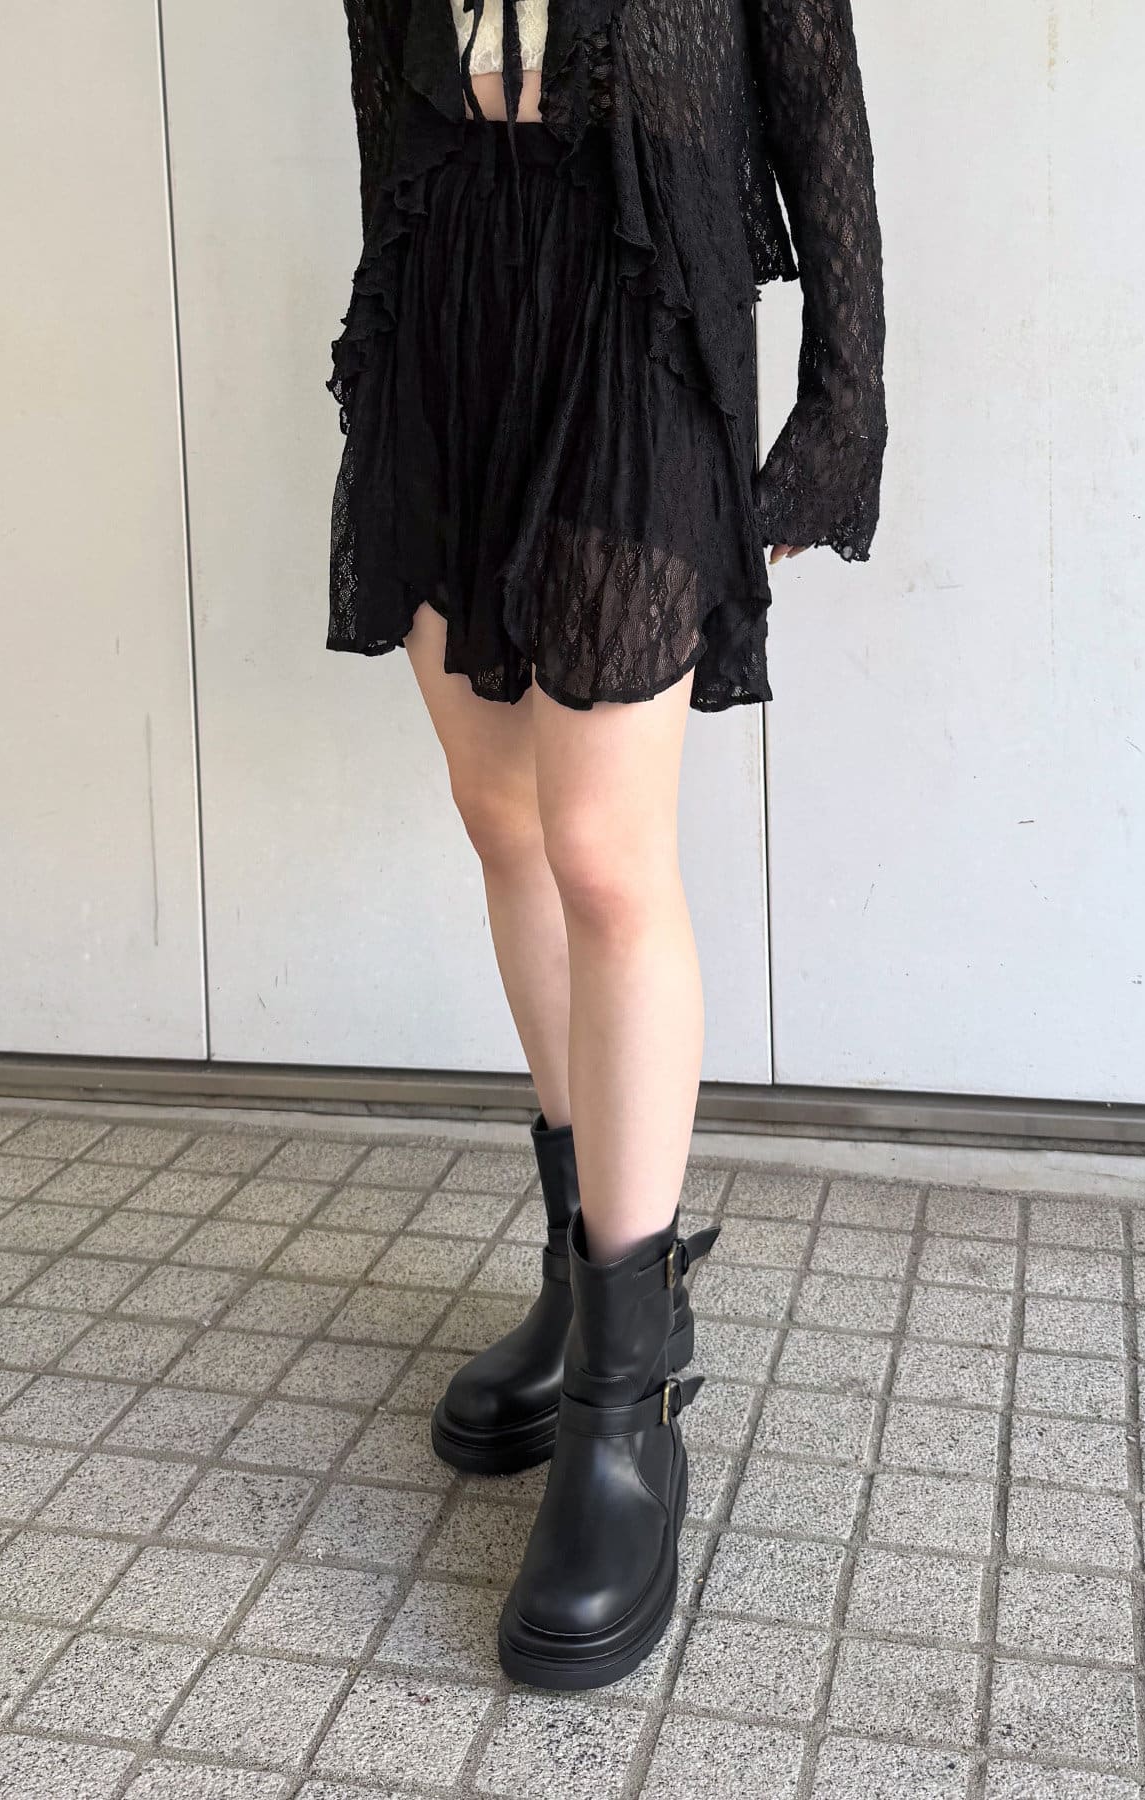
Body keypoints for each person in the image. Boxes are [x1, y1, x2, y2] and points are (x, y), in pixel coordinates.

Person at [325, 0, 885, 1690]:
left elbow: (819, 104)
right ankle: (585, 1281)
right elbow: (376, 73)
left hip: (634, 307)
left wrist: (841, 403)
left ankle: (629, 1404)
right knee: (497, 812)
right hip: (449, 306)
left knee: (603, 849)